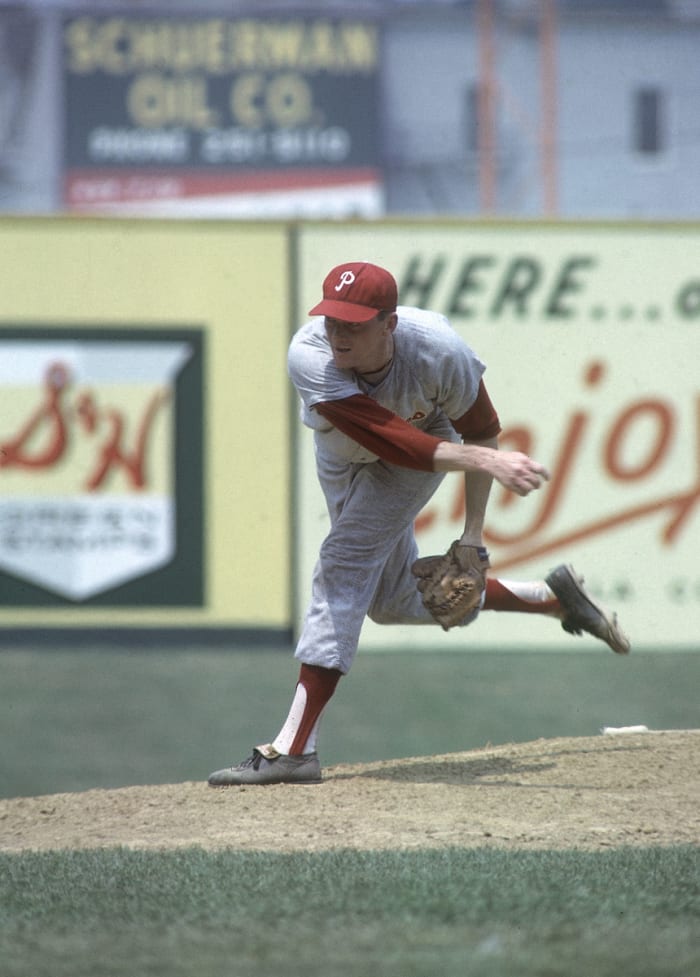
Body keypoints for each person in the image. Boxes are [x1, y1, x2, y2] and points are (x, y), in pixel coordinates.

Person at [208, 261, 630, 787]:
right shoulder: (310, 353)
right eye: (332, 320)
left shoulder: (438, 351)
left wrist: (473, 538)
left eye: (354, 325)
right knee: (387, 602)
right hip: (347, 454)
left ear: (390, 324)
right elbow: (387, 435)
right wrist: (482, 462)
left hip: (421, 451)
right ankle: (548, 598)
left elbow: (481, 433)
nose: (338, 334)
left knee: (342, 567)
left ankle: (293, 749)